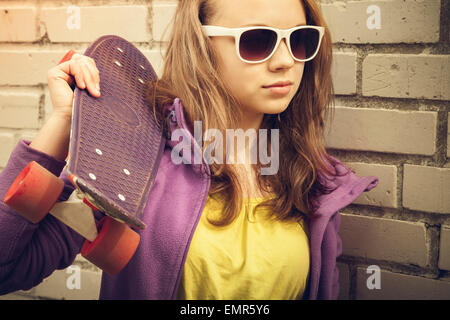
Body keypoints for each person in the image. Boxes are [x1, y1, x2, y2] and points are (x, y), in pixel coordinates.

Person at [0, 0, 378, 300]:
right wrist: (65, 122)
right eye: (258, 40)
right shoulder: (134, 157)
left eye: (299, 40)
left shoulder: (311, 179)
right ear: (201, 45)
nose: (285, 62)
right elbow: (8, 268)